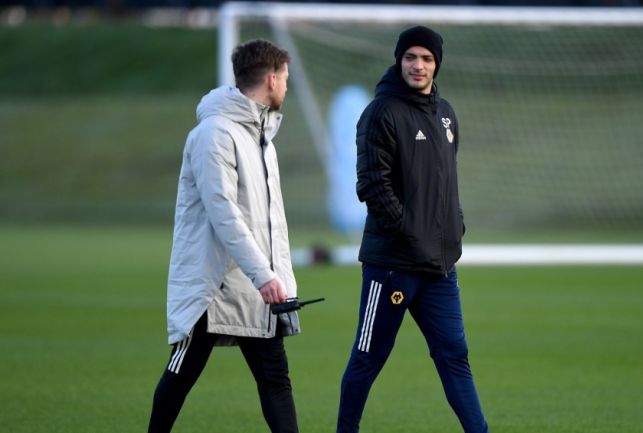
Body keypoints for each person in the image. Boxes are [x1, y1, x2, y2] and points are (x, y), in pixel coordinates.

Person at [337, 26, 490, 433]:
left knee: (454, 354)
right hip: (392, 264)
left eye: (425, 58)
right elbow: (372, 185)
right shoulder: (380, 113)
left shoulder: (446, 114)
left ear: (437, 63)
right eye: (410, 57)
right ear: (398, 60)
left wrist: (453, 228)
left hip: (439, 268)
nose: (417, 65)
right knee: (369, 356)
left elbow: (445, 183)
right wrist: (411, 233)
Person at [147, 39, 300, 433]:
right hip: (212, 288)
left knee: (276, 381)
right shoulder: (213, 134)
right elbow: (224, 215)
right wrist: (265, 275)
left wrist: (275, 275)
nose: (287, 86)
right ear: (270, 79)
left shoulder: (264, 137)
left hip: (254, 287)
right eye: (285, 78)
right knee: (179, 377)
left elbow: (270, 223)